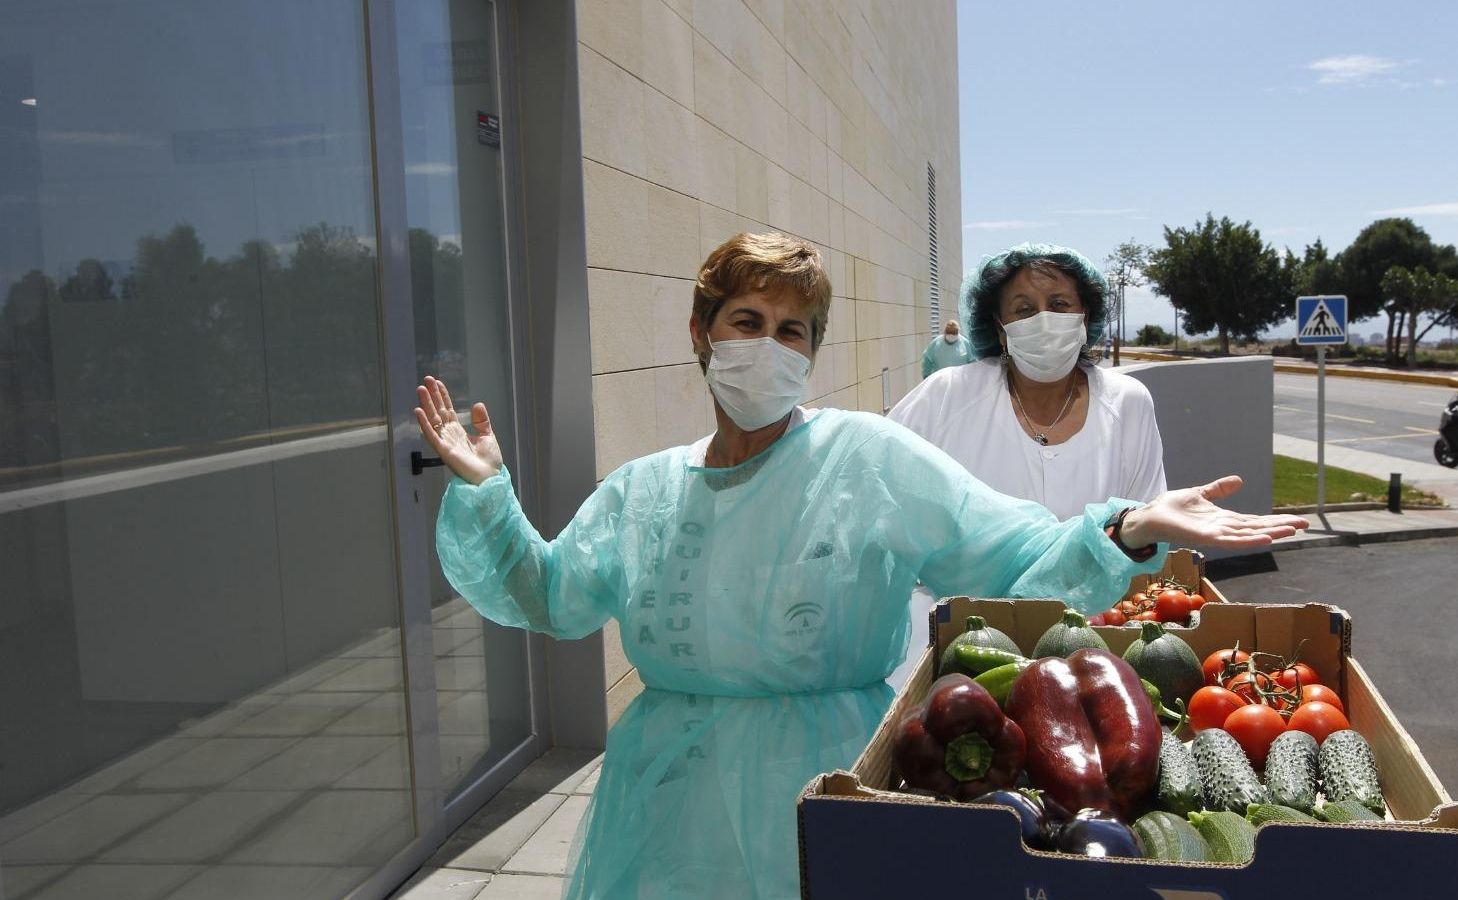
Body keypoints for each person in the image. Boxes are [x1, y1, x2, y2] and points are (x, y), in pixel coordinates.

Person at [414, 232, 1307, 900]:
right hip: (664, 812)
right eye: (747, 321)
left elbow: (1013, 550)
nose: (769, 346)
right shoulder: (643, 492)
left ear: (812, 351)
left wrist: (1123, 527)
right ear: (701, 330)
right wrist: (490, 498)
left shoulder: (869, 460)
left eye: (793, 331)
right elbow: (547, 595)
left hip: (828, 785)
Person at [891, 243, 1166, 521]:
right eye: (1023, 309)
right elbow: (878, 488)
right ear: (1000, 329)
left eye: (1059, 304)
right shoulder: (945, 397)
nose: (1044, 320)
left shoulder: (1128, 402)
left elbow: (1147, 526)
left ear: (1085, 318)